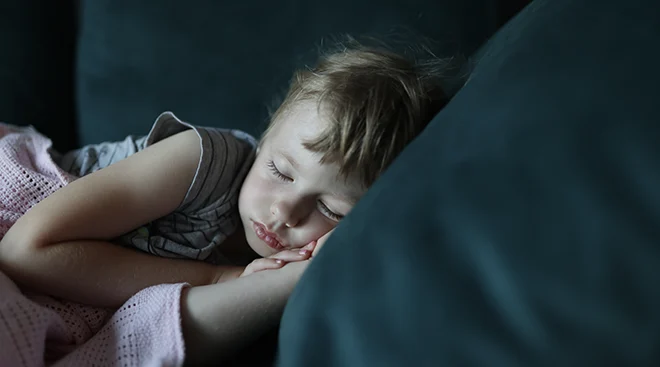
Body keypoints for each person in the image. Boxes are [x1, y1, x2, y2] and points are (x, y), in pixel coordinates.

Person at [0, 37, 451, 363]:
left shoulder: (290, 267)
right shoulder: (204, 162)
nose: (285, 212)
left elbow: (162, 332)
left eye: (332, 209)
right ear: (267, 135)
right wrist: (217, 277)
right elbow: (26, 250)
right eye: (280, 171)